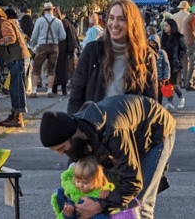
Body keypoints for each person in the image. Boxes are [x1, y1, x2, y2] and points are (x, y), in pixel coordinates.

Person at [40, 94, 176, 219]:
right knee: (113, 194)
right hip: (128, 135)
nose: (60, 153)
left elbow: (132, 182)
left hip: (156, 132)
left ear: (73, 135)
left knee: (139, 202)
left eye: (62, 148)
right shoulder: (78, 134)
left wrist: (100, 206)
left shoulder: (113, 133)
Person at [67, 0, 158, 114]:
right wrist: (76, 128)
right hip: (94, 127)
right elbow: (76, 97)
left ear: (132, 23)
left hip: (130, 128)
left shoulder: (146, 55)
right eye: (111, 18)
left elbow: (152, 104)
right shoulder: (92, 51)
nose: (114, 24)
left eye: (121, 19)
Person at [0, 6, 31, 127]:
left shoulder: (4, 24)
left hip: (17, 58)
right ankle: (13, 114)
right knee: (14, 86)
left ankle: (18, 117)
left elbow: (11, 38)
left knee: (17, 87)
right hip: (16, 58)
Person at [29, 2, 67, 98]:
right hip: (54, 46)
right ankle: (49, 91)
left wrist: (32, 44)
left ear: (44, 10)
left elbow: (34, 35)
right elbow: (63, 36)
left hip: (42, 46)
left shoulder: (40, 20)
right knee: (51, 69)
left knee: (36, 68)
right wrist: (55, 40)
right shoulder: (58, 21)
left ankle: (34, 91)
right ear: (53, 10)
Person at [160, 18, 187, 110]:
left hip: (175, 64)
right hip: (165, 63)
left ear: (172, 26)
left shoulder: (179, 37)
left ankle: (180, 97)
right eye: (164, 26)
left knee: (174, 84)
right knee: (167, 83)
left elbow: (184, 49)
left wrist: (179, 58)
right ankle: (170, 102)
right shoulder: (163, 36)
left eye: (167, 26)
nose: (165, 28)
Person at [53, 7, 80, 96]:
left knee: (63, 70)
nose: (54, 15)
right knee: (53, 69)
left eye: (56, 13)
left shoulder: (65, 23)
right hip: (53, 49)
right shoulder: (51, 23)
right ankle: (54, 88)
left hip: (63, 50)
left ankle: (63, 88)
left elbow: (70, 37)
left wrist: (70, 50)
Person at [148, 34, 171, 105]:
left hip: (160, 78)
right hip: (151, 78)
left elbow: (166, 65)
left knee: (160, 95)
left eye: (154, 43)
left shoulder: (162, 53)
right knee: (152, 94)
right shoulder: (148, 53)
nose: (152, 44)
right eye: (150, 43)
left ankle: (160, 105)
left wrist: (166, 77)